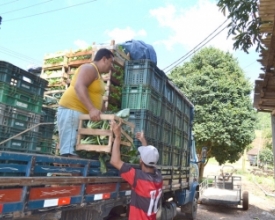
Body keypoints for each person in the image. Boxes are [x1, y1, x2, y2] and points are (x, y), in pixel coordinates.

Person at [57, 48, 114, 157]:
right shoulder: (89, 68)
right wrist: (92, 109)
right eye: (111, 62)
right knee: (70, 151)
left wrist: (104, 114)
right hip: (72, 110)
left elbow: (97, 97)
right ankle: (68, 172)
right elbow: (79, 86)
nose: (111, 66)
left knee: (77, 150)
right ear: (104, 59)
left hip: (82, 115)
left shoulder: (97, 74)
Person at [110, 120, 163, 220]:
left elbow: (114, 161)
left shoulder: (138, 178)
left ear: (141, 160)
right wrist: (143, 141)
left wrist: (117, 136)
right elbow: (148, 160)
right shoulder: (158, 177)